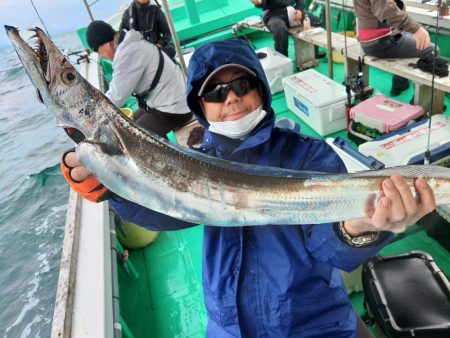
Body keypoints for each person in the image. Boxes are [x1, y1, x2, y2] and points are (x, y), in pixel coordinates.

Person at [61, 39, 436, 337]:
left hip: (313, 324)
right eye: (215, 93)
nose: (231, 98)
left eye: (242, 84)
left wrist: (360, 227)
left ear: (259, 89)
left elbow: (330, 246)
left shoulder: (308, 155)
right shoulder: (193, 162)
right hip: (228, 327)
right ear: (200, 107)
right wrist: (112, 188)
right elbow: (164, 210)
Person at [86, 20, 192, 138]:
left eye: (98, 51)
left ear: (107, 44)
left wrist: (91, 117)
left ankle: (166, 154)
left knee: (132, 136)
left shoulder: (127, 53)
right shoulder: (130, 42)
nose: (101, 56)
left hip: (176, 109)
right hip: (173, 98)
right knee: (134, 118)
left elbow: (116, 96)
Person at [354, 0, 439, 96]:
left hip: (367, 40)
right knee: (432, 50)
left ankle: (400, 84)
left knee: (406, 36)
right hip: (380, 42)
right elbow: (387, 10)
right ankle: (421, 99)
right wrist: (417, 29)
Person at [251, 0, 325, 58]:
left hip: (291, 12)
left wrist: (299, 9)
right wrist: (258, 3)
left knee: (317, 22)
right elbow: (262, 3)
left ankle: (314, 52)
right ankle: (283, 60)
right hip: (273, 15)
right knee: (280, 29)